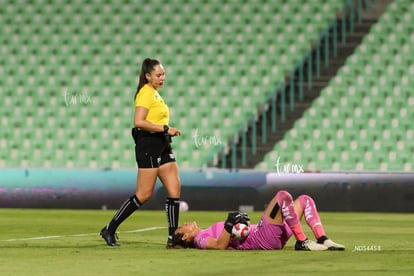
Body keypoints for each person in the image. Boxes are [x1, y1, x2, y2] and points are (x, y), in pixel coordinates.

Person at [100, 58, 182, 248]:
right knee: (143, 194)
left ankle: (173, 239)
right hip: (149, 144)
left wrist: (165, 133)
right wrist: (165, 128)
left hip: (162, 143)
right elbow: (139, 121)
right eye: (158, 75)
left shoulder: (154, 94)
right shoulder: (145, 93)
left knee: (174, 191)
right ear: (148, 76)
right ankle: (109, 229)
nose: (163, 78)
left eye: (163, 74)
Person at [172, 190, 345, 251]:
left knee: (305, 200)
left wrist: (231, 223)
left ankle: (323, 239)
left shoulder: (203, 232)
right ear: (185, 237)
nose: (184, 224)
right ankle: (302, 241)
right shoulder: (199, 239)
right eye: (182, 228)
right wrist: (230, 223)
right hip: (262, 237)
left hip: (271, 235)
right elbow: (219, 246)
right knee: (282, 196)